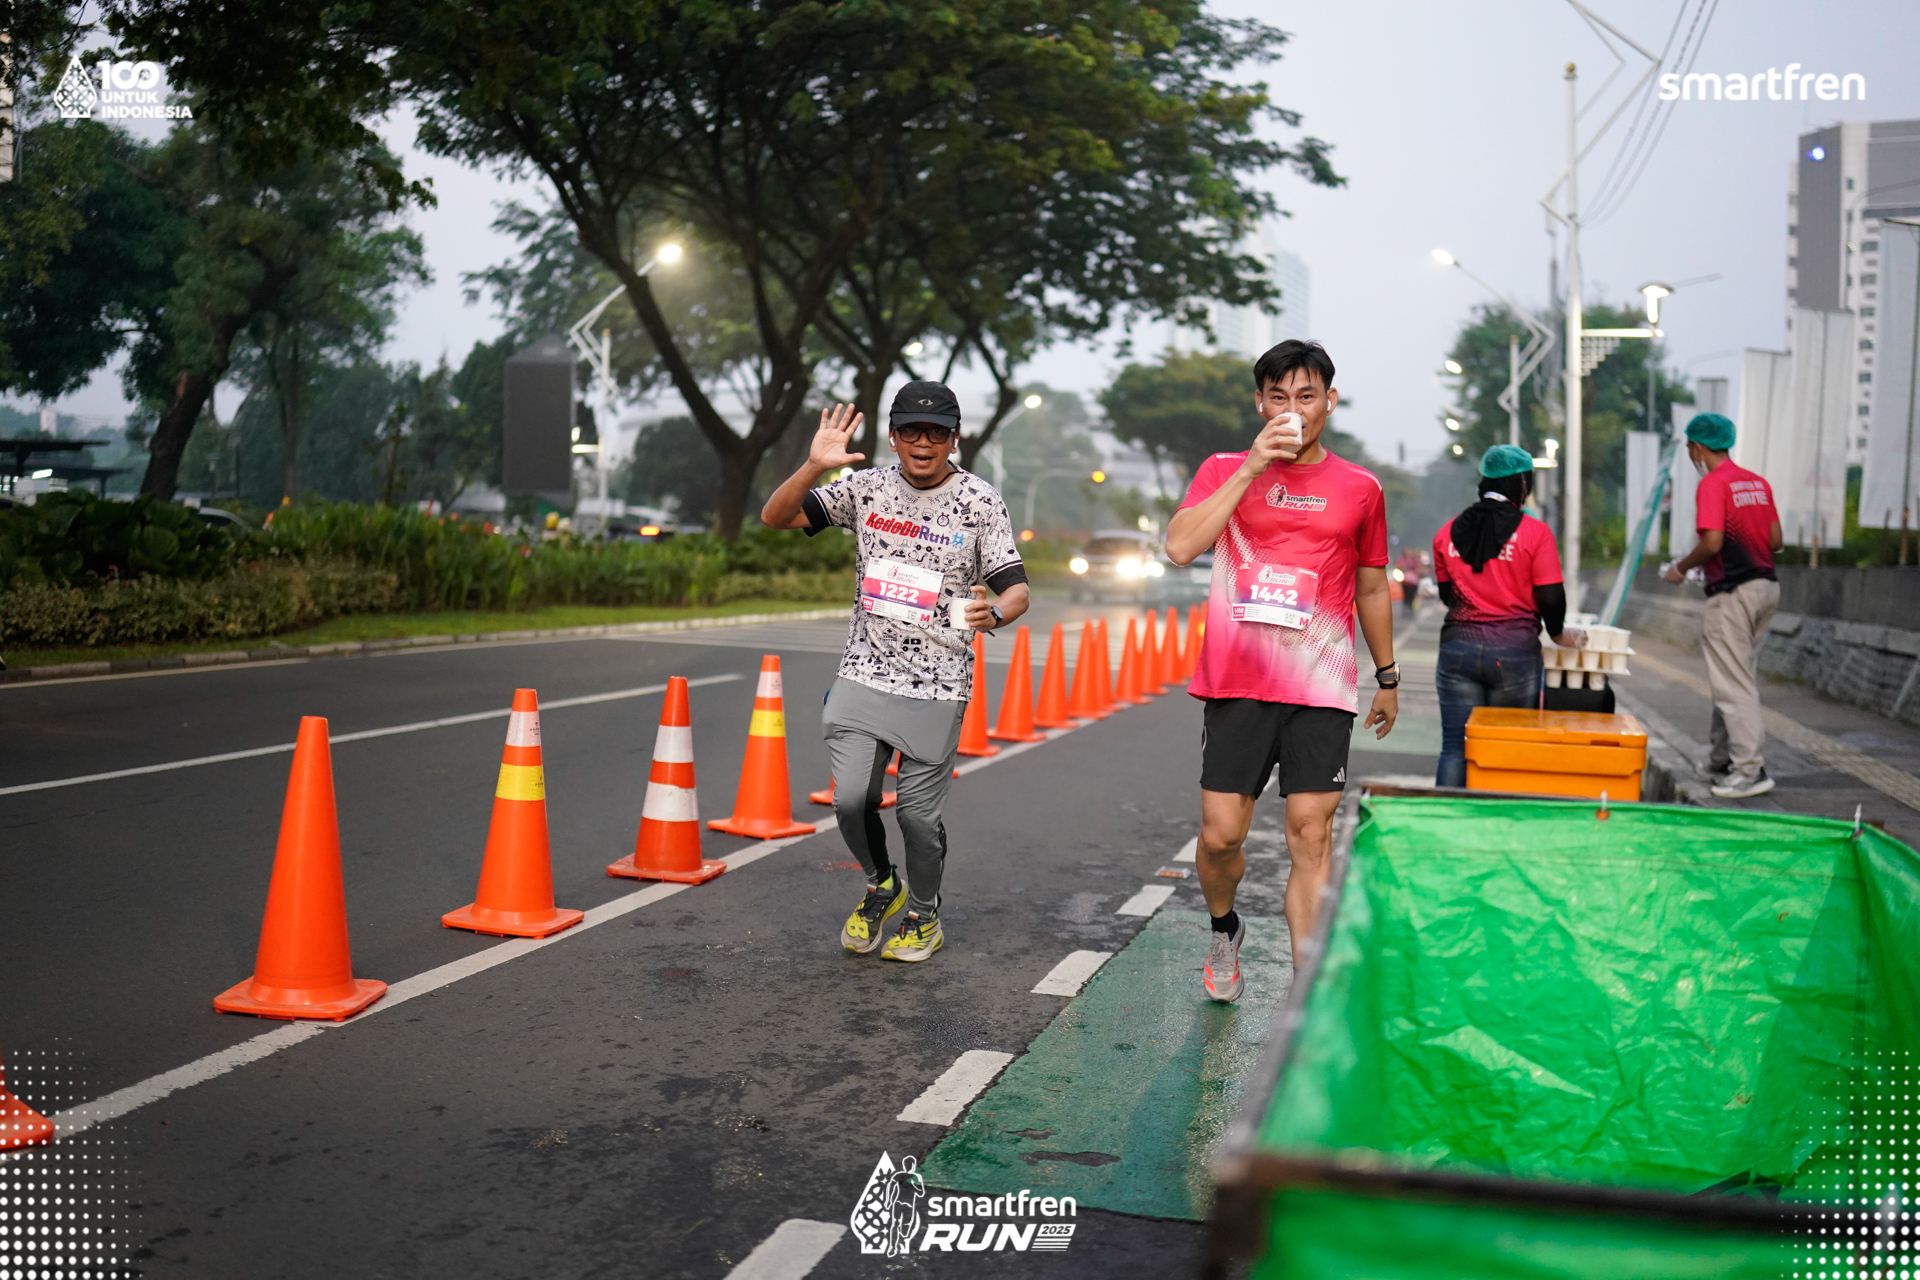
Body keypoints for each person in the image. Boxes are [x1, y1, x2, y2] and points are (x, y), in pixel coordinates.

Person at [761, 381, 1030, 962]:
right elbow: (776, 516)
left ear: (954, 439)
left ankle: (924, 915)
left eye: (936, 432)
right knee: (850, 799)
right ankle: (882, 884)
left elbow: (1016, 589)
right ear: (892, 436)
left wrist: (994, 613)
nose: (923, 443)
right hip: (864, 671)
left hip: (939, 682)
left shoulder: (980, 501)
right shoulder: (865, 489)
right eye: (911, 430)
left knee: (916, 817)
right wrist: (813, 466)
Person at [1164, 339, 1399, 1003]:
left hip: (1320, 686)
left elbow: (1372, 587)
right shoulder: (1223, 470)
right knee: (1221, 838)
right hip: (1237, 681)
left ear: (1330, 401)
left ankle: (1305, 996)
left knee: (1311, 836)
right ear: (1260, 404)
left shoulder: (1361, 488)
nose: (1293, 409)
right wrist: (1251, 469)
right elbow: (1180, 547)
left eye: (1306, 396)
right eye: (1278, 397)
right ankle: (1224, 928)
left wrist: (1387, 677)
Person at [1429, 445, 1587, 788]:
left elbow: (1447, 596)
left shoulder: (1446, 533)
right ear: (1522, 484)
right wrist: (1558, 633)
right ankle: (1498, 816)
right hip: (1514, 656)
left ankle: (1446, 815)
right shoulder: (1535, 533)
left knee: (1455, 748)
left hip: (1458, 651)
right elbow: (1550, 596)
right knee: (1507, 748)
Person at [1662, 412, 1783, 799]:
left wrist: (1681, 567)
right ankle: (1722, 759)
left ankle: (1749, 771)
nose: (1689, 454)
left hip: (1732, 594)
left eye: (1689, 447)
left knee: (1733, 684)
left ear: (1699, 447)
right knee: (1735, 677)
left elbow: (1713, 541)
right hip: (1766, 588)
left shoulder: (1713, 484)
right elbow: (1775, 540)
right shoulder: (1757, 483)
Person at [1394, 546, 1424, 619]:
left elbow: (1420, 569)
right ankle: (1406, 610)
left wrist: (1419, 573)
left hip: (1414, 581)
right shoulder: (1402, 560)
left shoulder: (1415, 560)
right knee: (1406, 596)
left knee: (1412, 596)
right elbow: (1398, 568)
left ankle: (1411, 610)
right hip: (1405, 581)